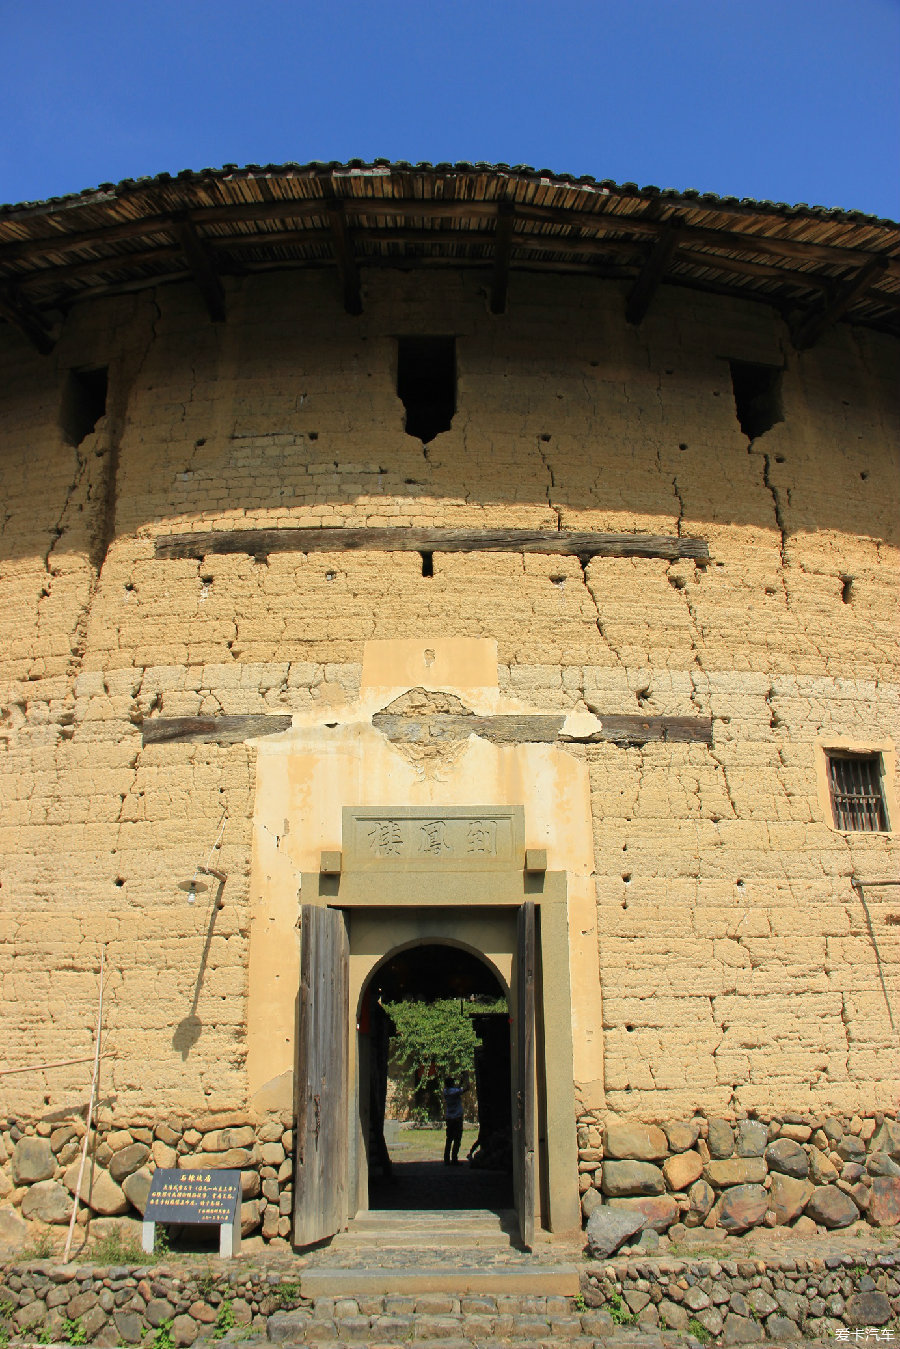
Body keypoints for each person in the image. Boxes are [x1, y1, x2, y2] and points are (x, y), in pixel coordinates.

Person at [442, 1076, 464, 1165]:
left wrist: (460, 1083)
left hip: (449, 1118)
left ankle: (446, 1159)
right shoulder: (454, 1092)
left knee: (449, 1139)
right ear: (451, 1084)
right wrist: (465, 1078)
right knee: (457, 1139)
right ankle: (454, 1158)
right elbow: (465, 1089)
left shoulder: (446, 1091)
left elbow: (457, 1090)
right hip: (457, 1118)